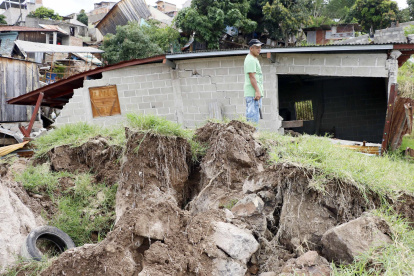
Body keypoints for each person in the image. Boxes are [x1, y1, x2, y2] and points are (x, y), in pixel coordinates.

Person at [244, 39, 264, 125]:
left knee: (254, 116)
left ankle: (252, 135)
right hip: (253, 94)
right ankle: (252, 136)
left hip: (254, 93)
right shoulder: (251, 60)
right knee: (252, 117)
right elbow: (252, 76)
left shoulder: (253, 59)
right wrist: (257, 91)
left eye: (260, 48)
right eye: (257, 48)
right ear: (251, 48)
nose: (259, 49)